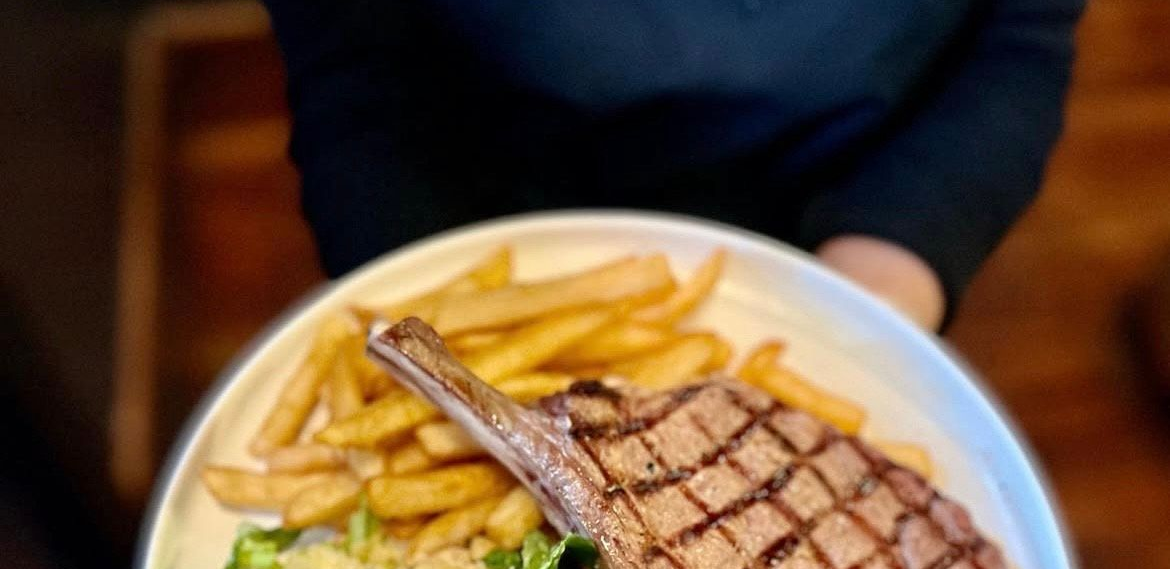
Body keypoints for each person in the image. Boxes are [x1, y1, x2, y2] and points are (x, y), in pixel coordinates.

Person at [262, 0, 1085, 330]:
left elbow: (1019, 42)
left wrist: (879, 288)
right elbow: (355, 68)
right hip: (492, 233)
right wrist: (439, 323)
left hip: (843, 227)